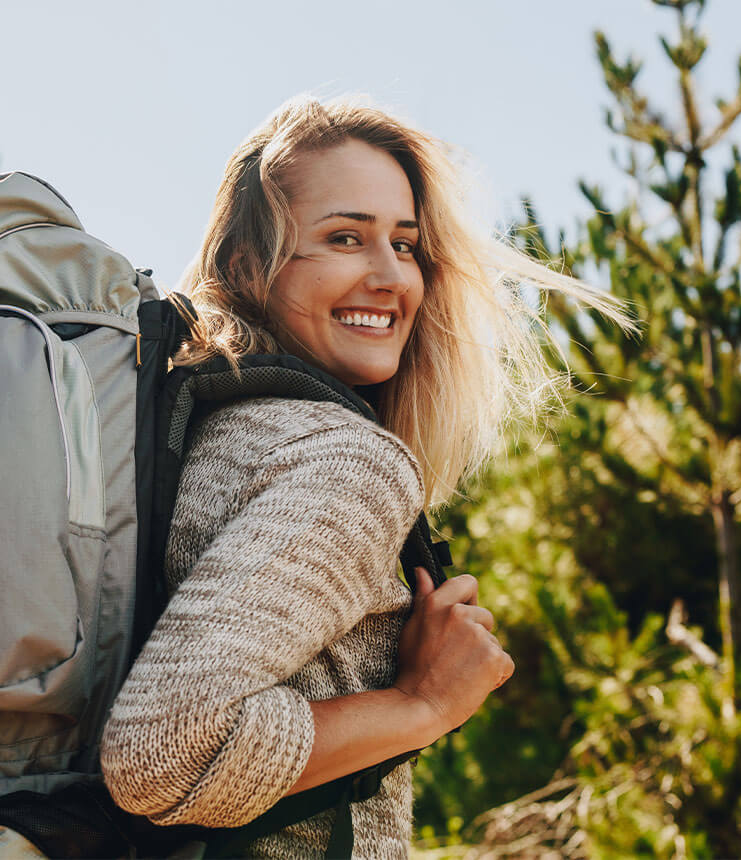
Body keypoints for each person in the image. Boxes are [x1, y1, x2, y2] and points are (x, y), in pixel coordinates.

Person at [99, 96, 630, 858]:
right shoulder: (344, 458)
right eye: (345, 238)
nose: (390, 277)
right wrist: (422, 703)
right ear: (246, 266)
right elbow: (163, 751)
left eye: (406, 245)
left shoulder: (203, 430)